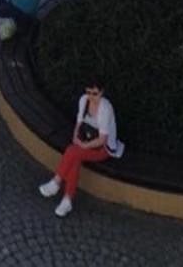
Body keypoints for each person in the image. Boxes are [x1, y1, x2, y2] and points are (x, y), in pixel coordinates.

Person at [38, 80, 124, 218]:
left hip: (102, 148)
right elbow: (79, 123)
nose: (91, 96)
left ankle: (57, 182)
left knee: (72, 152)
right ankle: (67, 200)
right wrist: (75, 136)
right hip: (87, 140)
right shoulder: (84, 100)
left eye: (95, 93)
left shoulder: (105, 108)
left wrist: (83, 145)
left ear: (101, 92)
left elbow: (102, 139)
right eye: (88, 92)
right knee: (75, 156)